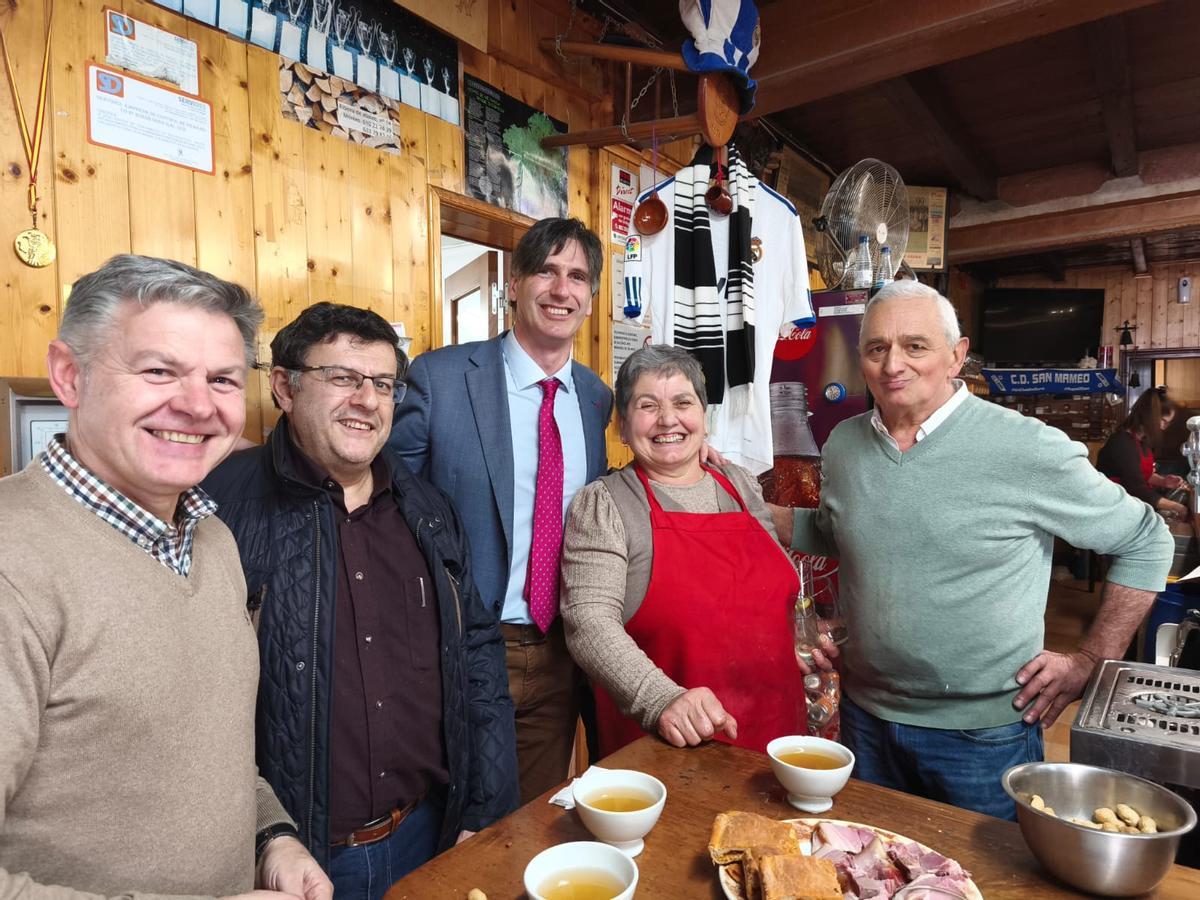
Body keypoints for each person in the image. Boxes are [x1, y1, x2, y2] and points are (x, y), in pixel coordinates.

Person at [772, 280, 1173, 820]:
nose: (894, 364)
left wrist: (1090, 660)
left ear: (956, 357)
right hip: (865, 717)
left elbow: (1147, 540)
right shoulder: (844, 443)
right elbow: (838, 529)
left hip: (983, 735)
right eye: (877, 348)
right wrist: (753, 511)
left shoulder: (1024, 447)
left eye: (916, 346)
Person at [0, 255, 330, 900]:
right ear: (69, 375)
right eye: (159, 372)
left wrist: (271, 835)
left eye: (223, 380)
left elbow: (207, 751)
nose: (198, 405)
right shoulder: (14, 566)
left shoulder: (211, 538)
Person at [203, 303, 518, 900]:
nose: (367, 400)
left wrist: (486, 807)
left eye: (382, 384)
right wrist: (263, 838)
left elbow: (478, 657)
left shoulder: (429, 510)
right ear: (284, 387)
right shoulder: (219, 508)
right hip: (297, 859)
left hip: (430, 832)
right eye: (343, 378)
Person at [389, 217, 612, 804]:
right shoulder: (439, 379)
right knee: (455, 825)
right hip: (459, 649)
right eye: (546, 271)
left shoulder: (595, 398)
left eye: (577, 277)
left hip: (561, 652)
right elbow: (389, 505)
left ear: (589, 298)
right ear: (513, 284)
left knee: (532, 824)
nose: (561, 290)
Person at [561, 345, 815, 756]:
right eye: (647, 406)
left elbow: (776, 589)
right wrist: (659, 699)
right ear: (623, 426)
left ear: (703, 418)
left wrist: (796, 636)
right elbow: (589, 623)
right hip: (666, 744)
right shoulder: (605, 504)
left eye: (683, 402)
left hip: (776, 731)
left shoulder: (741, 484)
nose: (668, 419)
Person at [1097, 386, 1189, 519]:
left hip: (1129, 507)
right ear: (1149, 416)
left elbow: (1143, 475)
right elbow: (1137, 489)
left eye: (1168, 423)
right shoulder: (1122, 443)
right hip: (1112, 511)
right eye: (1163, 421)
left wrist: (1164, 481)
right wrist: (1177, 507)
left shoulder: (1142, 441)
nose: (1164, 427)